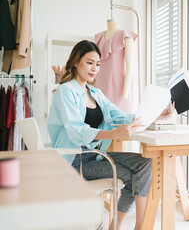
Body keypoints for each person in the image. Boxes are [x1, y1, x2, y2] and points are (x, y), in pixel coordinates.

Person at [47, 40, 174, 230]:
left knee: (145, 163)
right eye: (89, 62)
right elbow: (76, 131)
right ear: (75, 62)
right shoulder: (66, 91)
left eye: (98, 64)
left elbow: (120, 115)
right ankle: (134, 227)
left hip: (96, 156)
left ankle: (128, 225)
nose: (94, 68)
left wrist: (156, 115)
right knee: (135, 177)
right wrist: (113, 133)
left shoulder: (95, 93)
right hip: (75, 160)